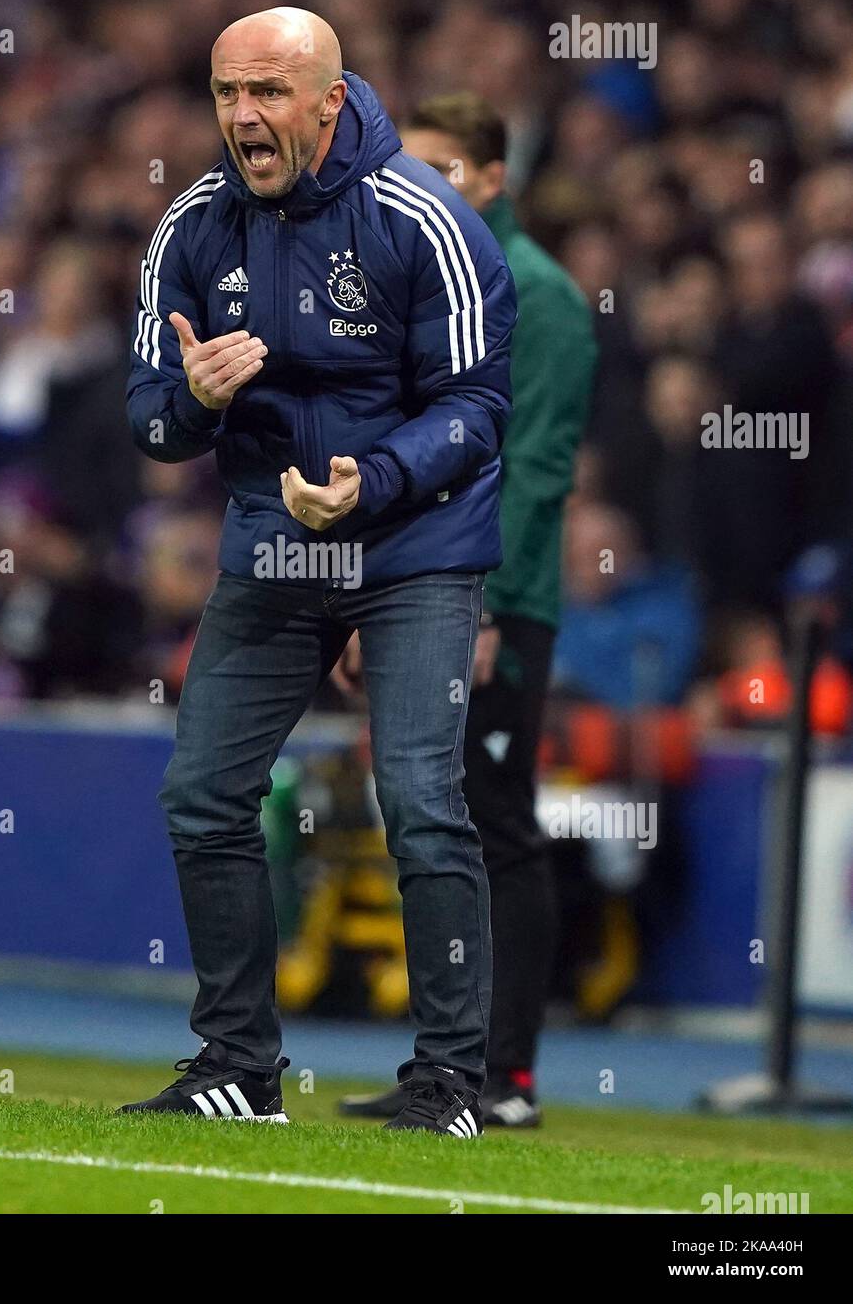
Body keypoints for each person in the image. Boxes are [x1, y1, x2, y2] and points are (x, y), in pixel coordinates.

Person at [120, 10, 515, 1136]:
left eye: (269, 93)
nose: (244, 116)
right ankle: (238, 1066)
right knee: (202, 793)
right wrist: (192, 402)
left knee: (424, 804)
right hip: (274, 545)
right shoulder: (190, 232)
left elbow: (479, 408)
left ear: (330, 100)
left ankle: (450, 1083)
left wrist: (371, 484)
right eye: (226, 93)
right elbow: (147, 424)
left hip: (413, 550)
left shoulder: (422, 218)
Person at [337, 93, 595, 1127]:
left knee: (493, 818)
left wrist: (487, 608)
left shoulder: (543, 297)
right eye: (416, 165)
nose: (425, 185)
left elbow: (531, 470)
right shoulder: (422, 280)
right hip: (417, 585)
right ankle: (446, 1066)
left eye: (445, 169)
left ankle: (507, 1075)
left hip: (496, 598)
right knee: (429, 815)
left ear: (494, 178)